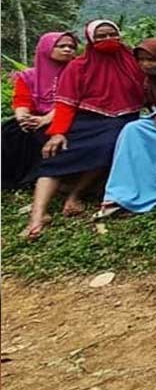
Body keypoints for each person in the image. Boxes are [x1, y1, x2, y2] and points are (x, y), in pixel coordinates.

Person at [25, 21, 145, 240]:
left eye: (112, 34)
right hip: (88, 119)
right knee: (56, 153)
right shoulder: (79, 66)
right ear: (91, 39)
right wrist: (58, 132)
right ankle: (37, 215)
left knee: (108, 147)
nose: (107, 39)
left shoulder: (133, 61)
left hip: (123, 118)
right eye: (100, 36)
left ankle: (75, 194)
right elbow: (66, 103)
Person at [99, 38, 156, 215]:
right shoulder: (149, 79)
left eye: (150, 59)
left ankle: (150, 190)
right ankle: (120, 195)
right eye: (141, 60)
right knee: (132, 130)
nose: (145, 64)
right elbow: (150, 103)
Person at [3, 31, 78, 190]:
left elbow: (74, 102)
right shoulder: (28, 76)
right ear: (46, 48)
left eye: (71, 47)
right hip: (36, 116)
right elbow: (22, 100)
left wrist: (47, 119)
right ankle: (13, 179)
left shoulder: (79, 73)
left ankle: (41, 178)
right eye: (61, 46)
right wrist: (23, 118)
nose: (67, 50)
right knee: (12, 132)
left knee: (43, 135)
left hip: (67, 117)